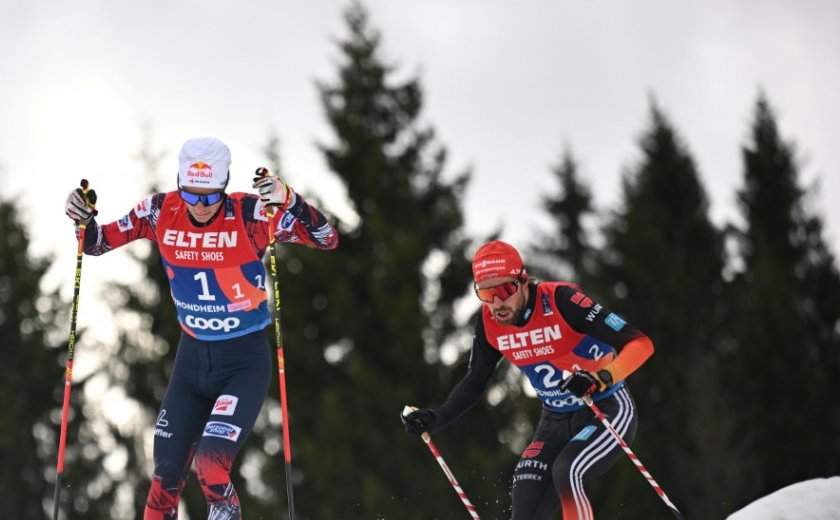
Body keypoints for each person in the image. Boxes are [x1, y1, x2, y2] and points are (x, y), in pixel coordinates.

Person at [64, 136, 339, 520]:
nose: (199, 206)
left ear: (224, 188)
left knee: (211, 464)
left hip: (244, 361)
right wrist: (83, 217)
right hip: (192, 362)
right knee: (164, 476)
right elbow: (94, 244)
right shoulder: (159, 211)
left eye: (210, 198)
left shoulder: (252, 214)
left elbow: (327, 238)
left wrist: (290, 200)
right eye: (191, 195)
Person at [401, 240, 654, 520]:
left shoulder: (562, 301)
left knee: (567, 469)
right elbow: (476, 380)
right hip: (555, 419)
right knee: (525, 500)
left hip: (606, 406)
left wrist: (601, 378)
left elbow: (641, 343)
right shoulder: (489, 322)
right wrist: (438, 418)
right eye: (486, 293)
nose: (497, 303)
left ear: (523, 281)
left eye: (504, 290)